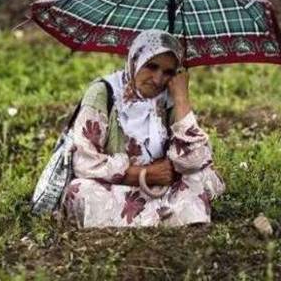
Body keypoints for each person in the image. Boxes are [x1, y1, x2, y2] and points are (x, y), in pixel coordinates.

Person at [62, 30, 225, 227]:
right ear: (135, 61)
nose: (158, 80)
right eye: (151, 66)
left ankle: (150, 216)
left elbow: (193, 161)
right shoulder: (103, 93)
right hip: (117, 186)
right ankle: (171, 216)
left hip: (161, 187)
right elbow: (83, 162)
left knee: (202, 176)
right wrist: (144, 174)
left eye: (168, 72)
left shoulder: (170, 97)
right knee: (80, 190)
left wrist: (182, 99)